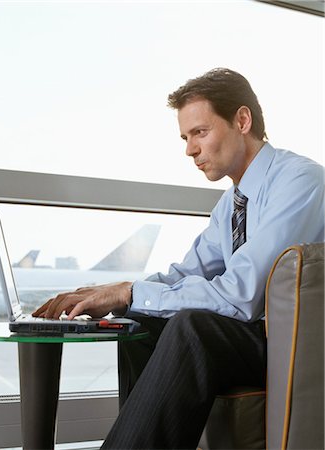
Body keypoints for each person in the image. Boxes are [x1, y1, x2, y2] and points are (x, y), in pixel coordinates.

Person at [33, 68, 325, 449]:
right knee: (140, 319)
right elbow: (185, 273)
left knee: (193, 328)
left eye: (200, 133)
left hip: (296, 343)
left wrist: (132, 291)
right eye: (186, 137)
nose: (190, 150)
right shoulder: (230, 205)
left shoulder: (299, 182)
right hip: (259, 336)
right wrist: (119, 295)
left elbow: (240, 296)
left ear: (241, 120)